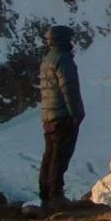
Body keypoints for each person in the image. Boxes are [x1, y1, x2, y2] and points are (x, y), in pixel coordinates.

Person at [39, 25, 85, 209]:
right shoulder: (63, 60)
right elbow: (69, 89)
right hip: (63, 116)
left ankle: (46, 196)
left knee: (49, 155)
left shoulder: (47, 60)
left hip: (48, 116)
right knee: (60, 156)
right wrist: (77, 114)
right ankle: (56, 196)